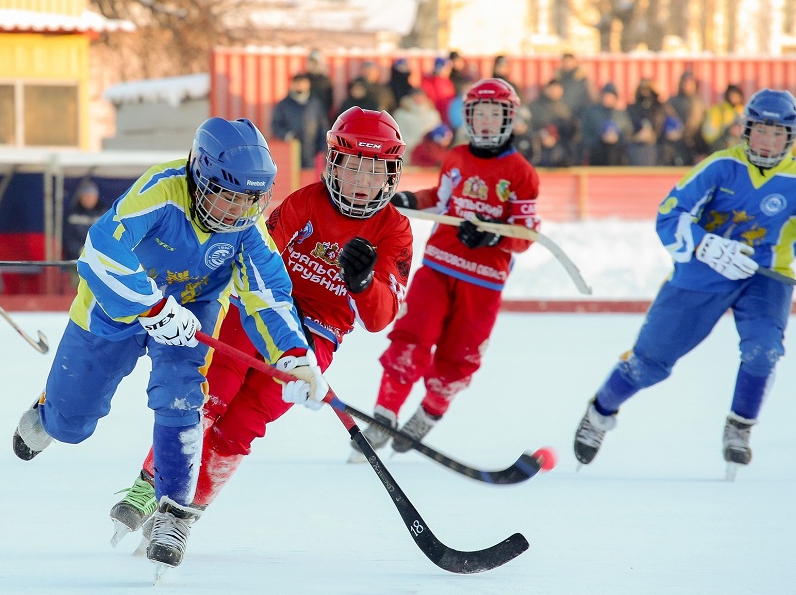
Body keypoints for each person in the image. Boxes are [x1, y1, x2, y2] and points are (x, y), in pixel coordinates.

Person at [10, 117, 328, 573]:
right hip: (115, 307)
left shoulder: (245, 228)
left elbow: (269, 294)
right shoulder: (159, 190)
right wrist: (152, 306)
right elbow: (102, 248)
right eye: (227, 195)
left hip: (193, 312)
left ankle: (171, 514)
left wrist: (296, 359)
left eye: (250, 199)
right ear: (200, 176)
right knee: (72, 424)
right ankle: (48, 412)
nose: (237, 211)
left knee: (182, 398)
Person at [105, 108, 413, 550]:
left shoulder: (394, 231)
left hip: (317, 338)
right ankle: (147, 486)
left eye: (374, 169)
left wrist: (364, 283)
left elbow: (380, 318)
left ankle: (182, 517)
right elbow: (253, 262)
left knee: (242, 426)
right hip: (261, 314)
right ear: (333, 163)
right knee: (210, 397)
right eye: (353, 166)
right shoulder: (302, 204)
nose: (362, 180)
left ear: (391, 174)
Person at [572, 89, 796, 475]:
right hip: (701, 274)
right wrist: (704, 244)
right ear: (746, 130)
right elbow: (669, 215)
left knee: (764, 351)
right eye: (761, 131)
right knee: (649, 364)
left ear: (790, 137)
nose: (768, 142)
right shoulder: (719, 166)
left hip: (766, 278)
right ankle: (599, 411)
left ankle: (739, 428)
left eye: (778, 134)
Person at [366, 78, 540, 451]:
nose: (488, 123)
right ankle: (384, 414)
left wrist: (495, 236)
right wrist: (414, 199)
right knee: (411, 337)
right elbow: (442, 199)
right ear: (469, 118)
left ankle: (428, 413)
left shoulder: (522, 173)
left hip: (484, 282)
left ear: (509, 119)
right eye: (480, 114)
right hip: (439, 268)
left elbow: (526, 235)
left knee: (460, 354)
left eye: (496, 114)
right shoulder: (457, 157)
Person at [270, 73, 326, 169]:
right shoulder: (284, 104)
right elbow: (275, 125)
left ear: (308, 85)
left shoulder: (315, 104)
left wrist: (322, 147)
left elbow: (323, 126)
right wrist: (288, 135)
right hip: (290, 153)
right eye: (298, 83)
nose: (300, 86)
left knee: (311, 180)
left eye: (303, 83)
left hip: (312, 152)